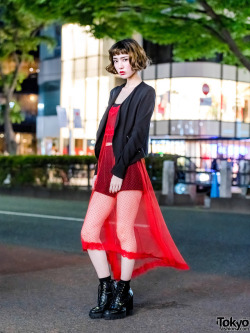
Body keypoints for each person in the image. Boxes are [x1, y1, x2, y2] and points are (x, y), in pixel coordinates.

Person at [81, 38, 189, 320]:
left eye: (124, 59)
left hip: (127, 167)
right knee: (89, 231)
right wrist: (101, 170)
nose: (120, 65)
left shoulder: (146, 93)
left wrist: (118, 169)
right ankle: (106, 287)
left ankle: (123, 291)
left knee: (123, 231)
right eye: (116, 60)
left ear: (136, 60)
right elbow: (106, 135)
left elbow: (139, 135)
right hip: (105, 166)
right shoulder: (114, 92)